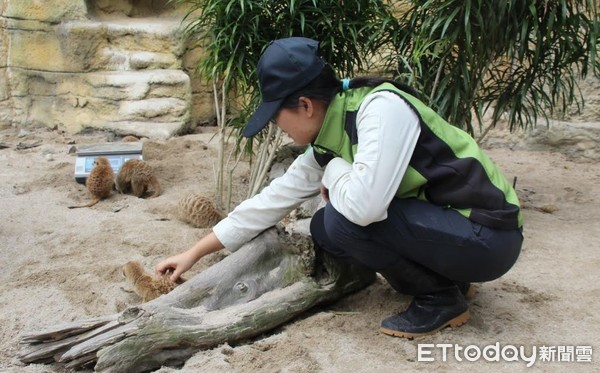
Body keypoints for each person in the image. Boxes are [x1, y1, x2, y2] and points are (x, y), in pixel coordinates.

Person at [156, 37, 524, 339]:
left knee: (343, 222)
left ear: (304, 105)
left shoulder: (379, 109)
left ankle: (439, 297)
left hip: (488, 238)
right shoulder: (329, 134)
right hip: (453, 232)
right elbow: (272, 200)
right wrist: (195, 252)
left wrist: (333, 170)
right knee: (324, 228)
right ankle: (450, 281)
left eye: (275, 116)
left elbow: (365, 209)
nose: (275, 127)